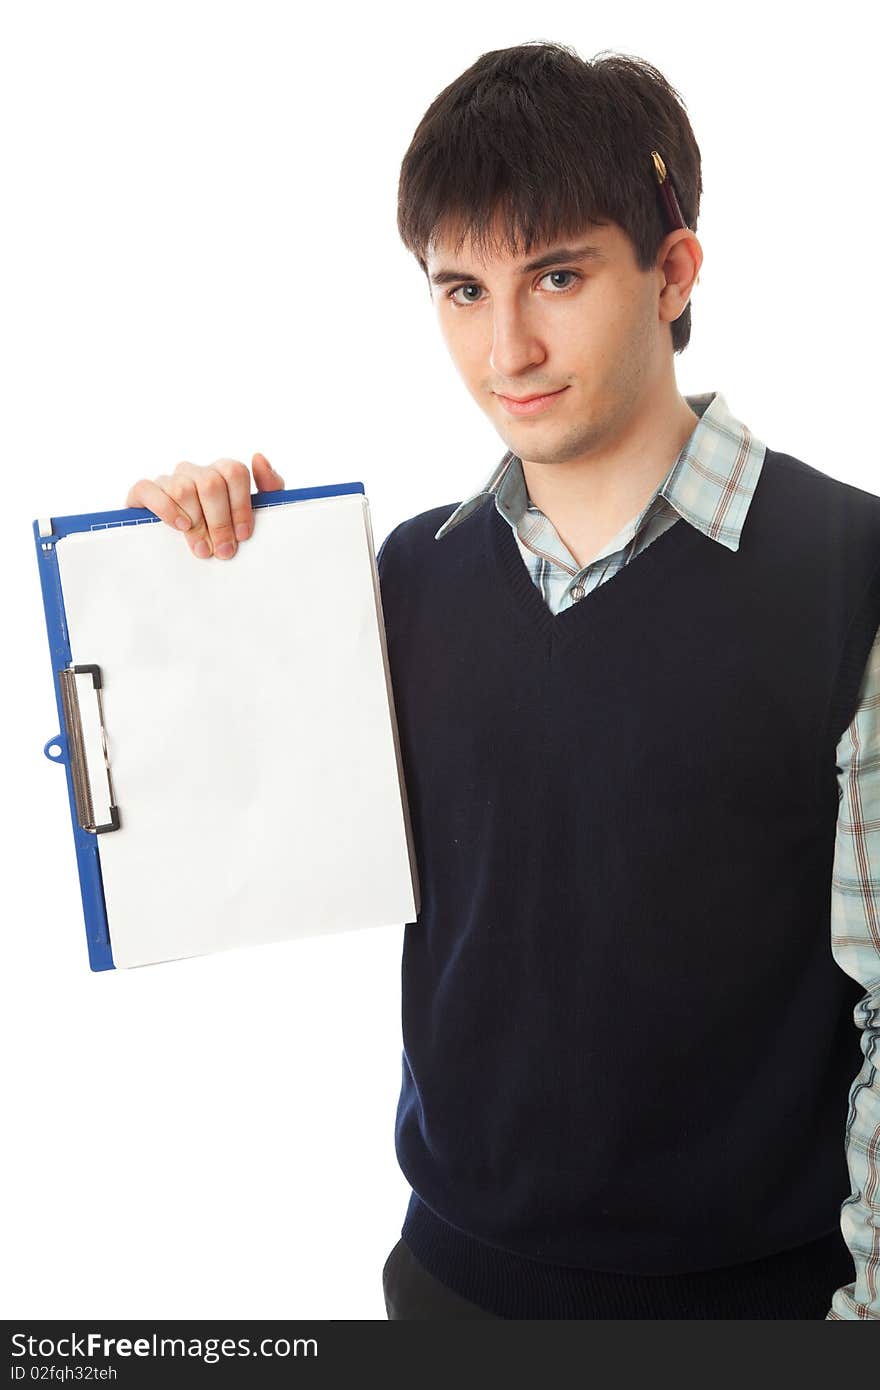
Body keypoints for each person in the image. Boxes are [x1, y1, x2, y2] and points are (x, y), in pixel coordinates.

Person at [124, 42, 880, 1320]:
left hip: (756, 1308)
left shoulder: (850, 576)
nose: (506, 347)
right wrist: (193, 590)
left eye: (558, 277)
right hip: (444, 1284)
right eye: (461, 291)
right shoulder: (404, 577)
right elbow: (202, 840)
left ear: (672, 271)